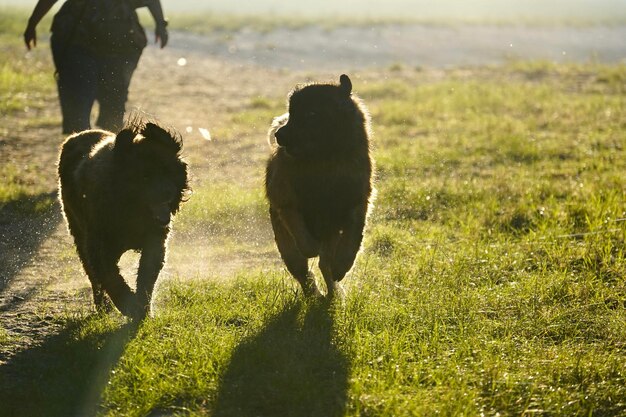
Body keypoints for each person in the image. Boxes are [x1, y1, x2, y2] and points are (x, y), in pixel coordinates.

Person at [24, 0, 169, 134]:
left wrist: (161, 24)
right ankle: (81, 150)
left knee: (113, 101)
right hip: (80, 39)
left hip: (117, 42)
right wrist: (32, 23)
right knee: (80, 100)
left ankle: (109, 151)